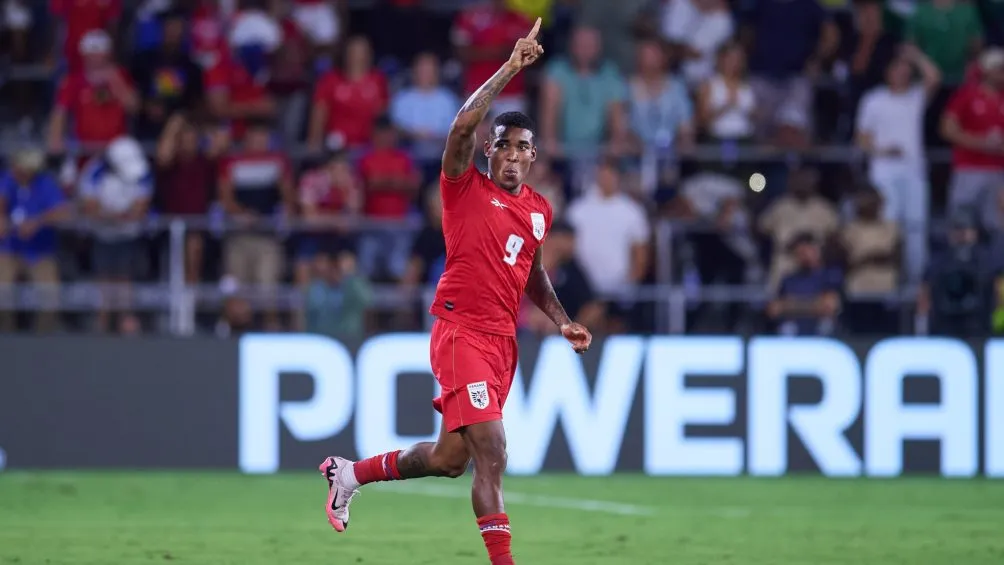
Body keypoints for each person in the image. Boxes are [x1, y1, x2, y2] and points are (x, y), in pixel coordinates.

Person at [318, 20, 592, 565]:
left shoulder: (539, 211)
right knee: (493, 450)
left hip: (502, 343)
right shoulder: (463, 185)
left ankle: (348, 474)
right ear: (490, 150)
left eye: (523, 148)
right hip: (461, 331)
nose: (512, 155)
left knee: (449, 460)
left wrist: (562, 319)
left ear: (533, 157)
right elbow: (462, 125)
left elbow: (532, 274)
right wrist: (510, 67)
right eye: (504, 145)